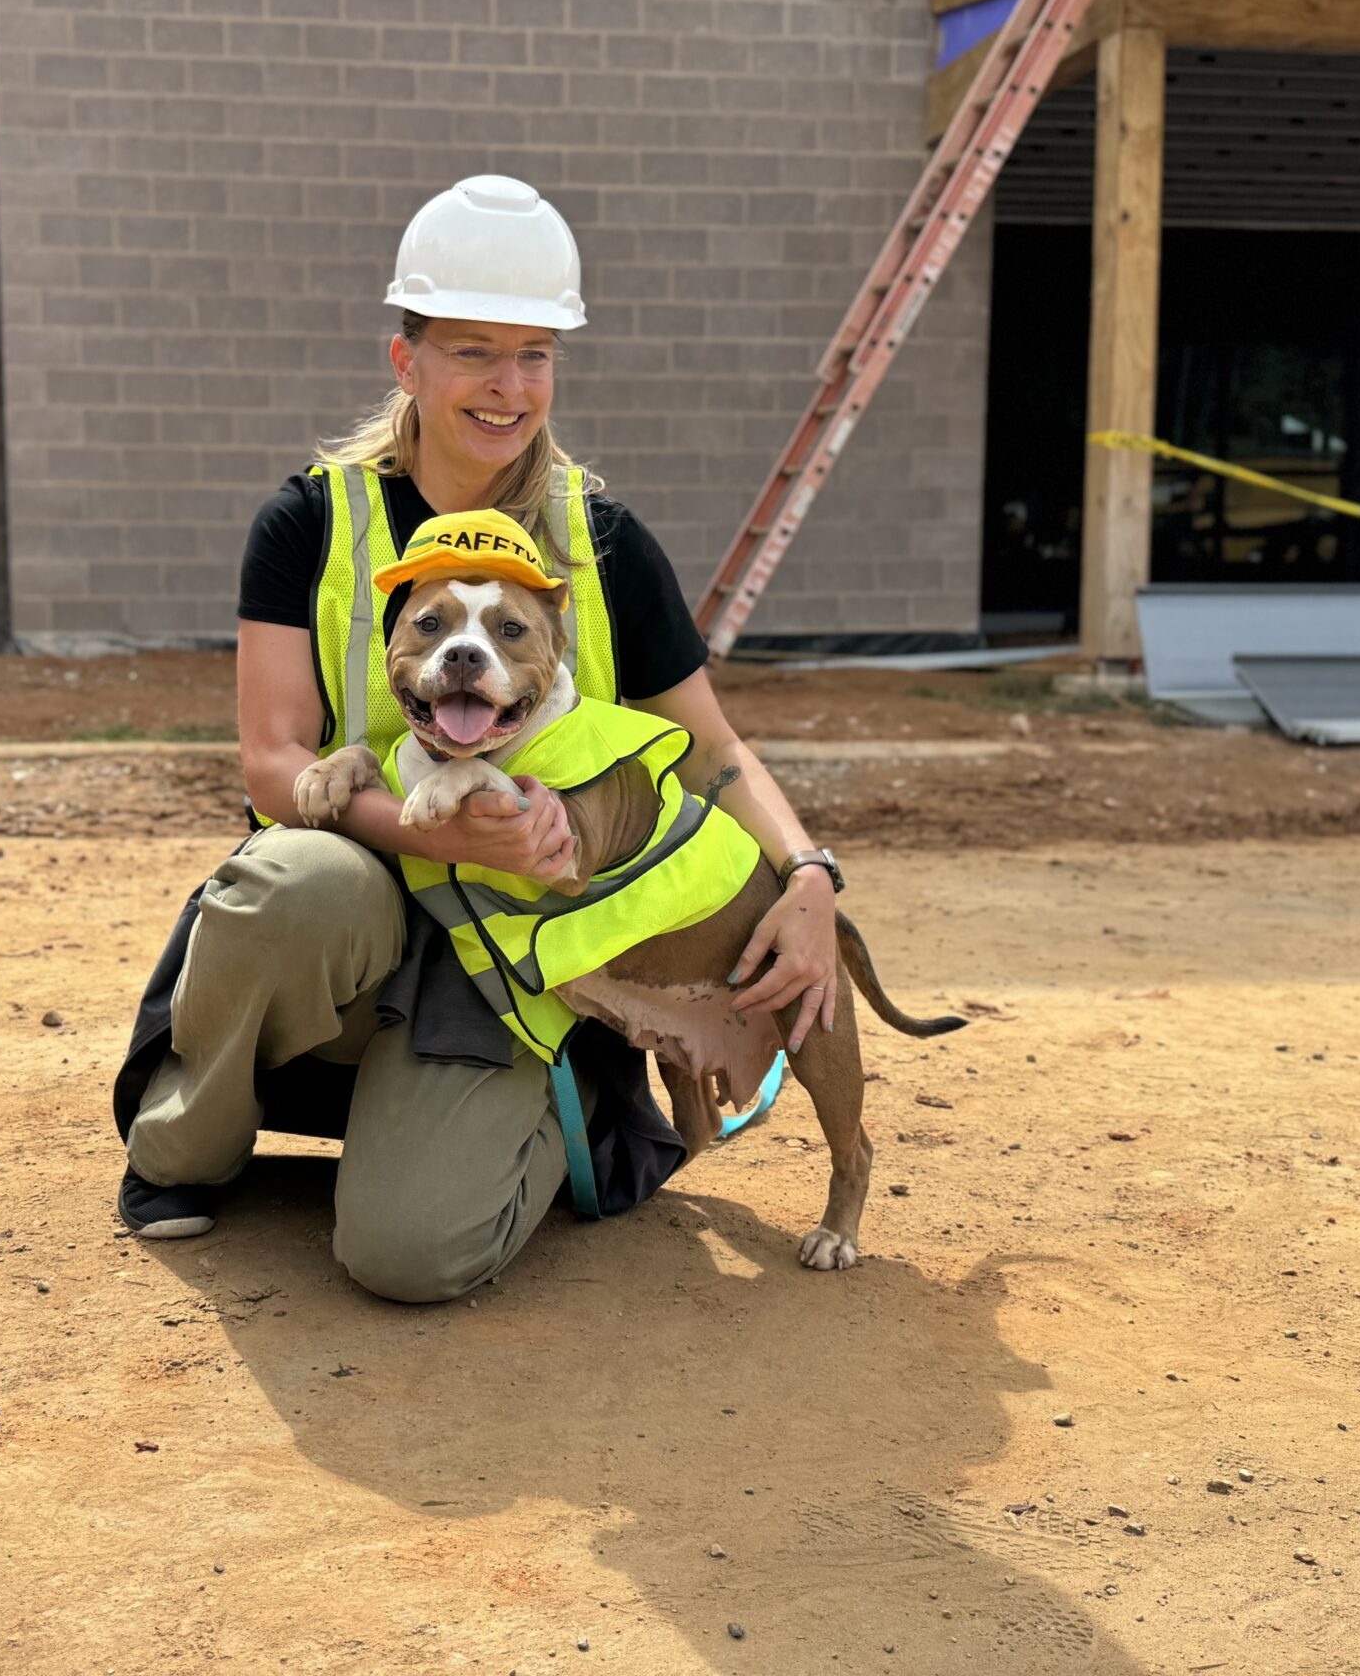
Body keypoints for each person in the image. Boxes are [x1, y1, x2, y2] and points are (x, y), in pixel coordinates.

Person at [112, 174, 851, 1303]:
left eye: (534, 355)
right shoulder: (314, 521)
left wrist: (807, 874)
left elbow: (710, 750)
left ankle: (532, 1119)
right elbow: (272, 763)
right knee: (291, 878)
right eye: (472, 352)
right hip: (360, 894)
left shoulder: (602, 543)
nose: (508, 388)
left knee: (412, 1258)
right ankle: (184, 1150)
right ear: (406, 361)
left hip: (525, 956)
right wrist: (448, 843)